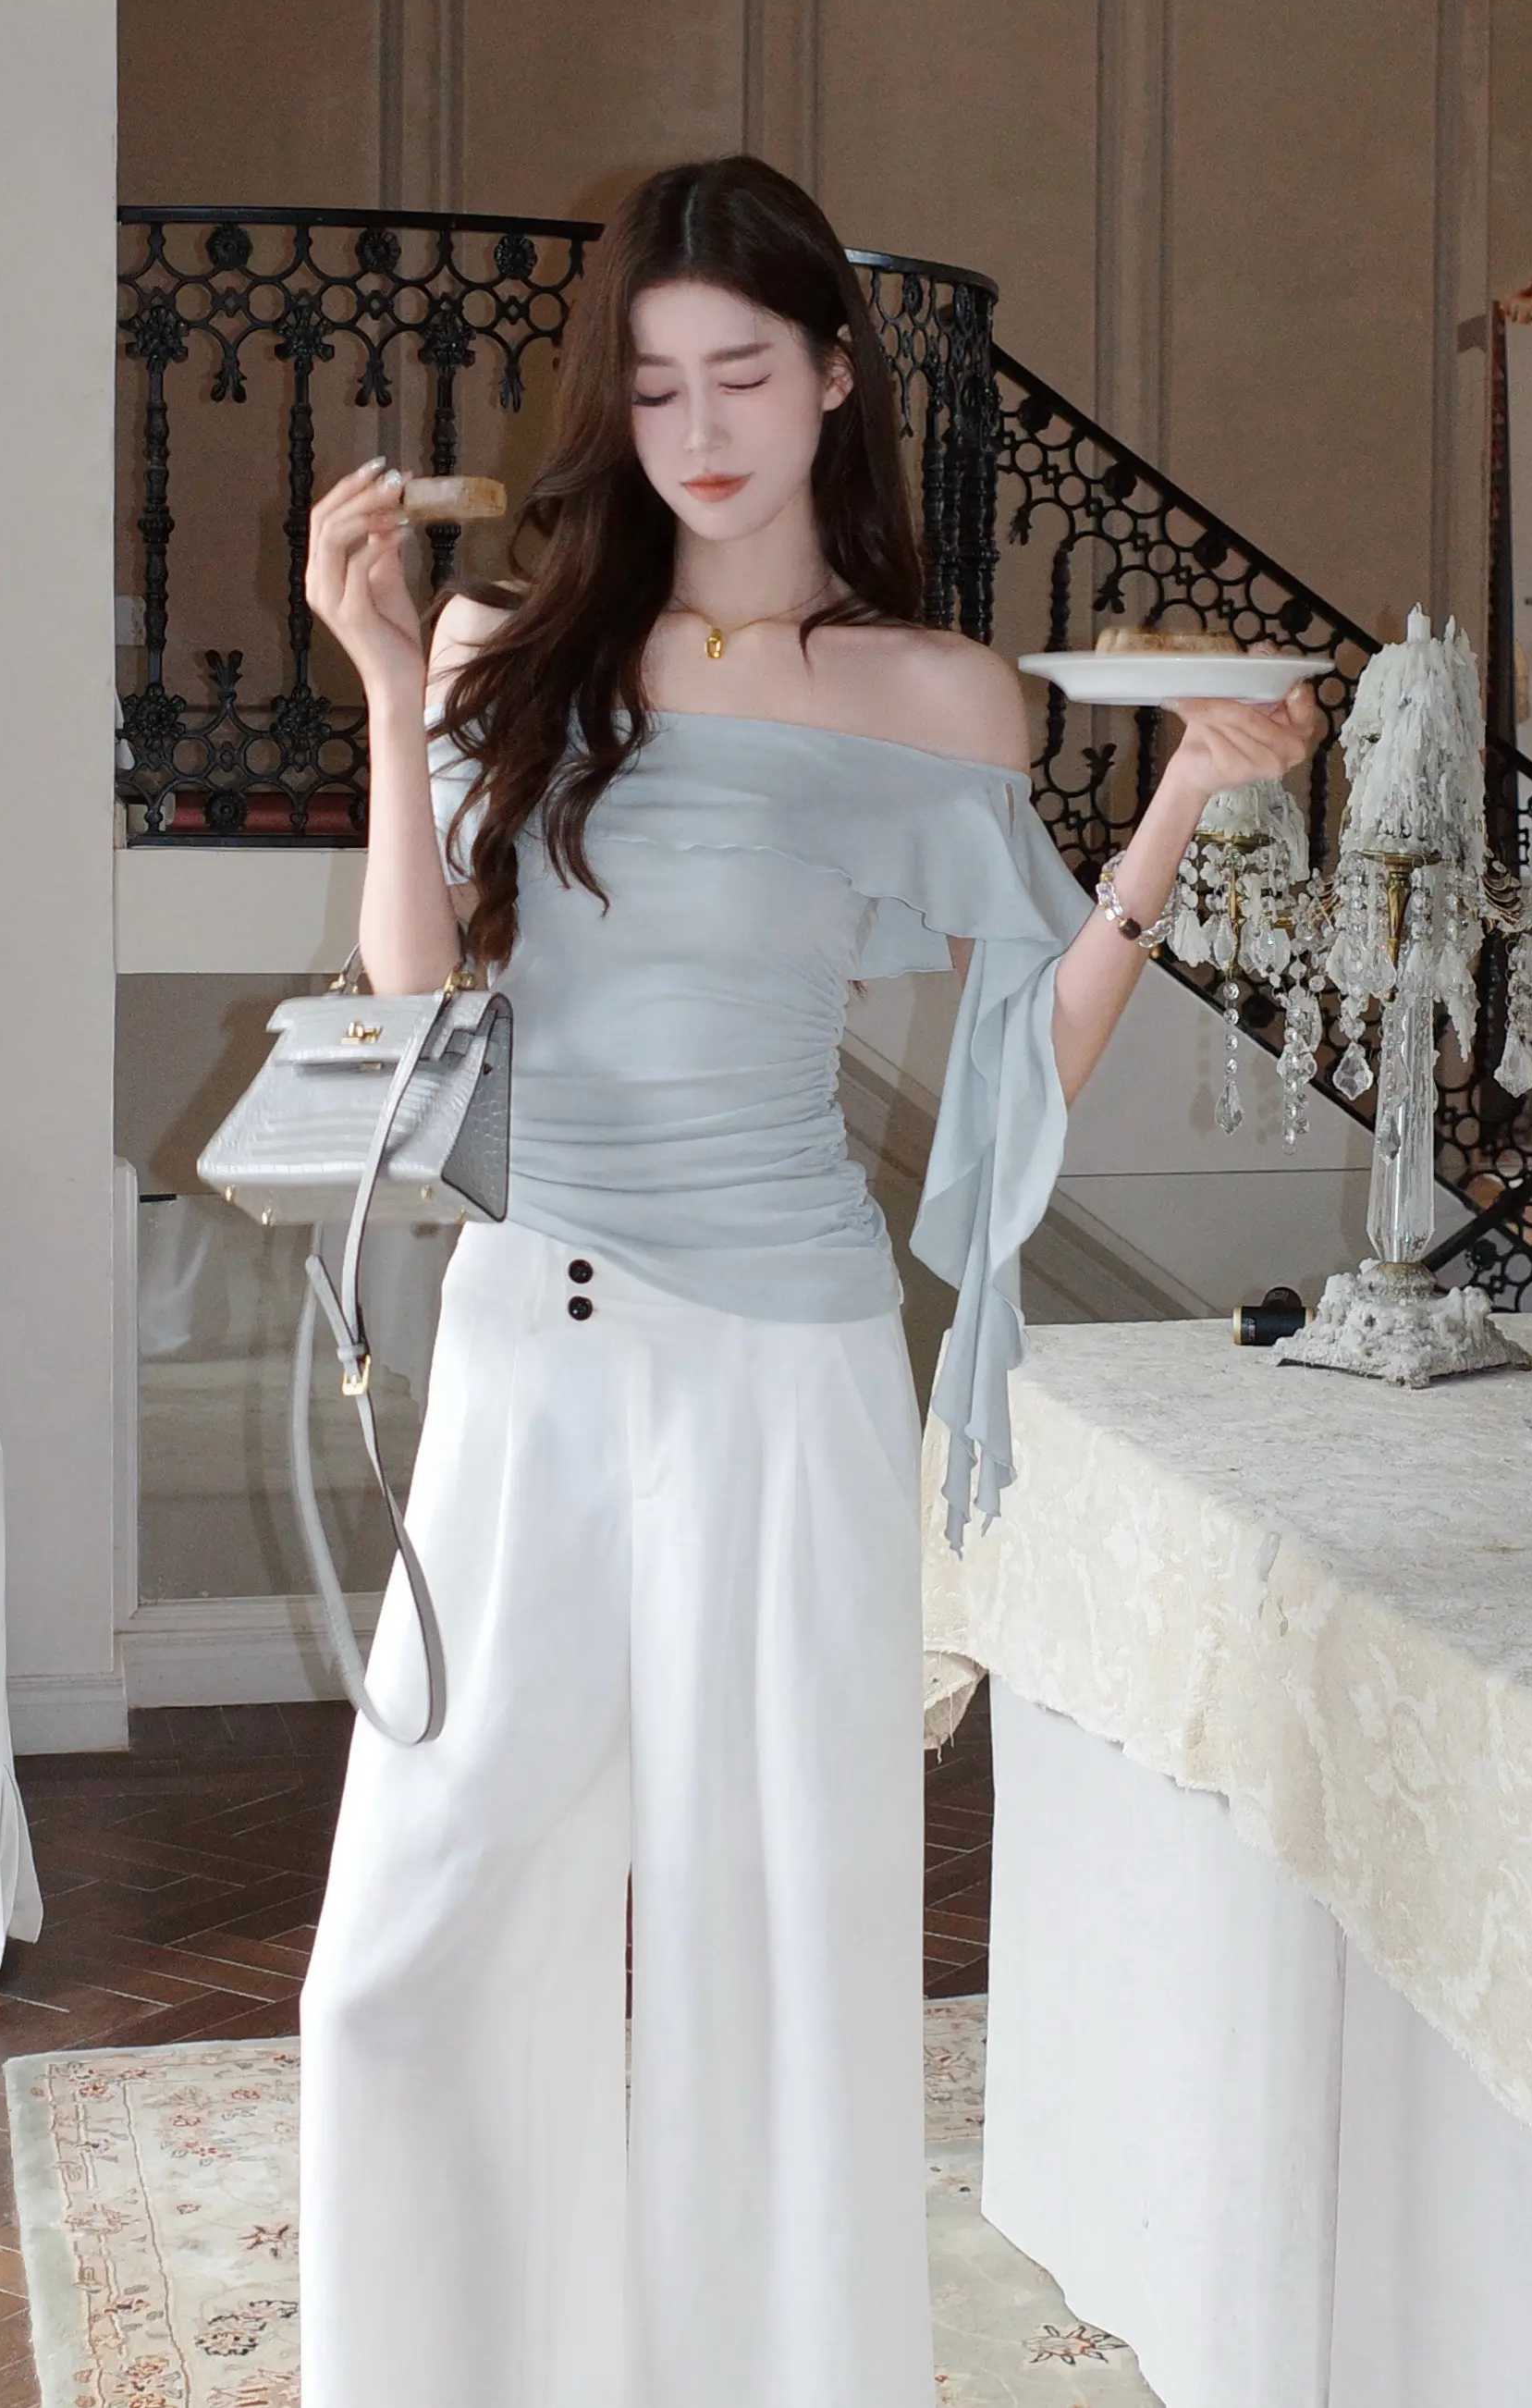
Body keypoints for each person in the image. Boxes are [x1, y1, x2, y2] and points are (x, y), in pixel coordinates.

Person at [295, 154, 1318, 2408]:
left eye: (742, 371)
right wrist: (382, 678)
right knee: (397, 1965)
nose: (699, 426)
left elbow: (1022, 1059)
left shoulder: (935, 697)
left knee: (771, 1968)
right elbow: (412, 1001)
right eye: (656, 383)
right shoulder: (504, 648)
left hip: (780, 1370)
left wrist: (1169, 811)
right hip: (525, 1354)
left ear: (837, 377)